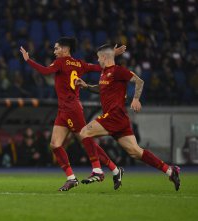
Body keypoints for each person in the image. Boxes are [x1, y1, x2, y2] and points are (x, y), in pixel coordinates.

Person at [20, 37, 126, 191]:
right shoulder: (80, 63)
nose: (55, 51)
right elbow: (99, 67)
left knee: (85, 138)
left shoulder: (60, 62)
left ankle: (99, 169)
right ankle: (75, 177)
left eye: (57, 48)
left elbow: (45, 71)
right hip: (64, 109)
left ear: (65, 48)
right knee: (55, 144)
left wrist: (28, 60)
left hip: (71, 108)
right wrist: (111, 56)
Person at [76, 44, 180, 191]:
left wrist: (136, 99)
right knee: (135, 151)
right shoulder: (105, 73)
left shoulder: (118, 71)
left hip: (114, 116)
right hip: (119, 119)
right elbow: (101, 89)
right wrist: (86, 86)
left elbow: (139, 81)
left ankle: (98, 171)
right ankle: (170, 171)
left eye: (99, 57)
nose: (98, 60)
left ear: (104, 57)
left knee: (84, 133)